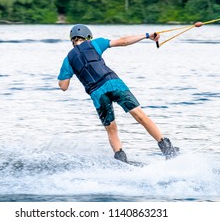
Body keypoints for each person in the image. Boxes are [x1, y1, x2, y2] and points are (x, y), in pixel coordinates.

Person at [57, 24, 179, 162]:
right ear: (88, 36)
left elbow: (63, 86)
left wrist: (70, 71)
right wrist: (147, 35)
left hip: (97, 94)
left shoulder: (68, 60)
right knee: (140, 117)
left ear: (72, 40)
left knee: (111, 129)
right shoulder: (95, 43)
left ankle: (121, 160)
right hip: (114, 84)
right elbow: (124, 41)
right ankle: (168, 150)